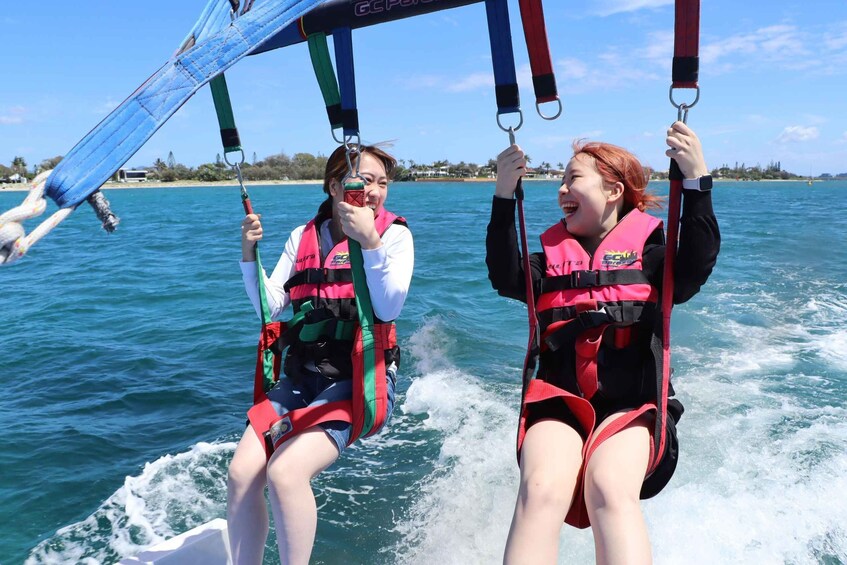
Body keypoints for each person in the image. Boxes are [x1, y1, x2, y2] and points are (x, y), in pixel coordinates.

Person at [487, 121, 720, 564]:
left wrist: (696, 181)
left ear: (613, 190)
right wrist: (503, 195)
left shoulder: (653, 258)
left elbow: (695, 263)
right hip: (560, 401)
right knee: (539, 491)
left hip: (635, 407)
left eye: (573, 178)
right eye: (559, 180)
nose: (560, 190)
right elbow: (505, 275)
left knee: (609, 488)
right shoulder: (543, 265)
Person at [227, 143, 414, 565]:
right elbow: (269, 307)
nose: (376, 192)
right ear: (334, 186)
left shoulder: (394, 235)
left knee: (286, 473)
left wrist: (369, 241)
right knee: (241, 474)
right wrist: (248, 254)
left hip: (360, 378)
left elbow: (388, 308)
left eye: (383, 183)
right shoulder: (303, 236)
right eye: (365, 181)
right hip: (303, 376)